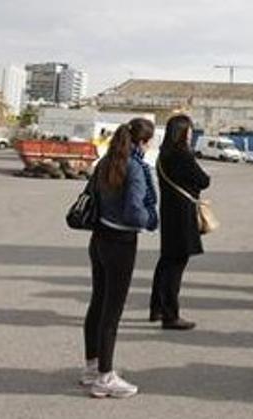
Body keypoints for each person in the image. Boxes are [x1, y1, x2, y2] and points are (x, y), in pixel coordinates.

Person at [82, 118, 158, 399]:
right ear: (142, 142)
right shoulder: (136, 168)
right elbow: (135, 212)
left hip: (99, 238)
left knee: (98, 302)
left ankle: (92, 366)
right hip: (121, 243)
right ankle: (105, 376)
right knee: (112, 311)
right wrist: (151, 219)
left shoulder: (105, 162)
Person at [150, 114, 210, 330]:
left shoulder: (163, 154)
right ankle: (170, 315)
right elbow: (204, 180)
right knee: (176, 266)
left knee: (166, 261)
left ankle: (156, 308)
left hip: (169, 212)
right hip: (183, 215)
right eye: (190, 130)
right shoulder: (183, 154)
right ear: (183, 132)